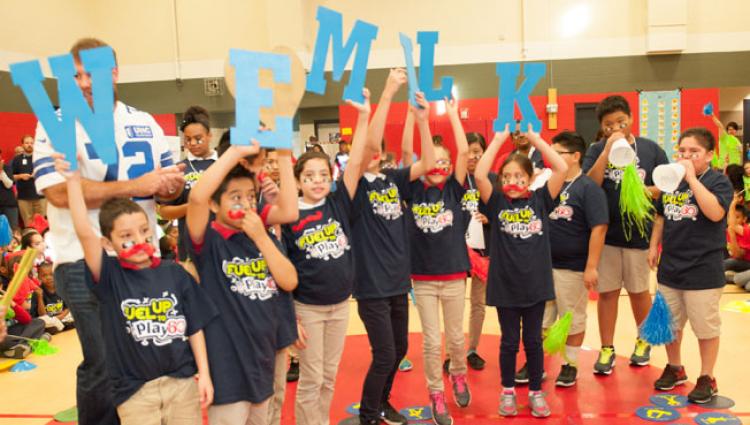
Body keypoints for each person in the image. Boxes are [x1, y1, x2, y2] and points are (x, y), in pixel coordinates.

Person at [33, 37, 186, 425]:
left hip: (142, 259)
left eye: (93, 73)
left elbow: (169, 186)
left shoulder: (145, 122)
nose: (84, 82)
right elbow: (57, 192)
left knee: (143, 353)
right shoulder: (56, 123)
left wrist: (169, 185)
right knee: (104, 361)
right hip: (83, 259)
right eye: (76, 75)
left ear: (114, 73)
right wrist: (139, 186)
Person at [55, 154, 216, 424]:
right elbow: (84, 231)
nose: (140, 241)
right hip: (135, 393)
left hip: (182, 383)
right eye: (126, 237)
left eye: (144, 232)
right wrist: (72, 182)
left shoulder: (174, 273)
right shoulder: (109, 276)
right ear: (108, 243)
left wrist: (205, 374)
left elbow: (195, 326)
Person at [185, 140, 299, 425]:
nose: (246, 204)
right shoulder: (208, 241)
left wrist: (262, 237)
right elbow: (197, 198)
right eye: (235, 197)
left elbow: (289, 281)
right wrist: (234, 152)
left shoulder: (259, 234)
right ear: (215, 204)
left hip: (263, 358)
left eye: (250, 196)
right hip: (228, 368)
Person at [282, 88, 372, 425]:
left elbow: (358, 159)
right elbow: (284, 270)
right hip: (308, 308)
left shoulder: (337, 202)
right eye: (309, 176)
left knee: (329, 376)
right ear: (298, 180)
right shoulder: (290, 214)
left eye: (323, 175)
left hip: (339, 306)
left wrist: (363, 116)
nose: (317, 181)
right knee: (311, 379)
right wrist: (291, 314)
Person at [351, 69, 435, 425]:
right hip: (371, 286)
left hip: (398, 282)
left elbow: (429, 163)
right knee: (385, 353)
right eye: (369, 146)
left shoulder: (392, 179)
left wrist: (422, 120)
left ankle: (382, 403)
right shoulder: (352, 186)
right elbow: (366, 145)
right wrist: (387, 93)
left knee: (399, 349)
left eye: (378, 147)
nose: (374, 150)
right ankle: (369, 414)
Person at [475, 124, 568, 418]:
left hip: (536, 284)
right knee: (509, 342)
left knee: (533, 341)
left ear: (530, 178)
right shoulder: (497, 201)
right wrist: (499, 138)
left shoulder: (541, 200)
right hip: (505, 286)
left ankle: (536, 394)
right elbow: (479, 174)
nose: (512, 180)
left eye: (518, 176)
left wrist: (538, 139)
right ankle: (507, 392)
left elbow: (562, 167)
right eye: (506, 176)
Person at [582, 95, 669, 375]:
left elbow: (666, 187)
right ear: (602, 127)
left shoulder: (650, 149)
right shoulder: (597, 149)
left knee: (638, 292)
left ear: (631, 118)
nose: (616, 127)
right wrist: (607, 151)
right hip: (606, 235)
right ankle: (607, 348)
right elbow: (589, 185)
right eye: (609, 124)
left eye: (621, 121)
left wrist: (650, 191)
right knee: (607, 294)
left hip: (640, 235)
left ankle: (643, 341)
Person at [517, 131, 608, 387]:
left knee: (572, 318)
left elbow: (599, 228)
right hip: (543, 266)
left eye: (558, 153)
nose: (551, 158)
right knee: (539, 319)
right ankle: (536, 362)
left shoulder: (588, 188)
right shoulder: (547, 184)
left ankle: (570, 364)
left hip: (573, 268)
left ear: (576, 156)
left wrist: (591, 266)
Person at [649, 127, 733, 403]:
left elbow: (715, 212)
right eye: (682, 151)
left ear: (709, 155)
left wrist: (692, 178)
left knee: (705, 328)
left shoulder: (718, 182)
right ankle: (675, 368)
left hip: (703, 270)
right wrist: (653, 246)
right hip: (670, 268)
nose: (686, 156)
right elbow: (661, 217)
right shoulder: (670, 181)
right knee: (671, 325)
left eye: (694, 152)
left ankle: (707, 377)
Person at [404, 95, 469, 425]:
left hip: (455, 276)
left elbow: (464, 154)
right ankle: (436, 394)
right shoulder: (413, 190)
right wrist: (422, 121)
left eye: (445, 161)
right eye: (435, 160)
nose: (440, 165)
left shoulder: (454, 190)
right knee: (431, 341)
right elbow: (409, 155)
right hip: (424, 280)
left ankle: (458, 374)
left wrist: (454, 116)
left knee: (456, 338)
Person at [158, 105, 218, 273]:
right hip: (190, 247)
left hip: (225, 244)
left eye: (198, 138)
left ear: (209, 135)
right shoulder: (179, 169)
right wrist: (193, 205)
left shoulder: (223, 163)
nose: (192, 143)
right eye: (188, 139)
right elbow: (164, 212)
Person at [31, 262, 75, 334]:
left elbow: (68, 307)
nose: (48, 278)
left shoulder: (62, 288)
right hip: (47, 320)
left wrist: (61, 316)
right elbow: (42, 315)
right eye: (44, 275)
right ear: (39, 277)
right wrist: (40, 297)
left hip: (62, 317)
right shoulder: (37, 292)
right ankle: (59, 327)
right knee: (44, 322)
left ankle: (63, 326)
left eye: (51, 274)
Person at [12, 135, 46, 225]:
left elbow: (49, 174)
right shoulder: (17, 159)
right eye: (27, 143)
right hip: (24, 198)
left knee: (42, 224)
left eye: (31, 143)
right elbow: (10, 176)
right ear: (22, 144)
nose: (29, 145)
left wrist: (39, 173)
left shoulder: (40, 157)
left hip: (40, 197)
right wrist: (20, 176)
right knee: (28, 224)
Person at [725, 199, 750, 290]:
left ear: (744, 219)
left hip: (746, 263)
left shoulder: (746, 230)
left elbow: (738, 255)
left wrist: (732, 203)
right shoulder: (729, 230)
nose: (732, 220)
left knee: (739, 280)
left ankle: (735, 278)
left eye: (737, 217)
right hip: (743, 265)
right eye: (731, 217)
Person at [0, 151, 19, 229]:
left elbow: (9, 184)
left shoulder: (6, 167)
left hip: (9, 204)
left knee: (12, 229)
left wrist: (1, 171)